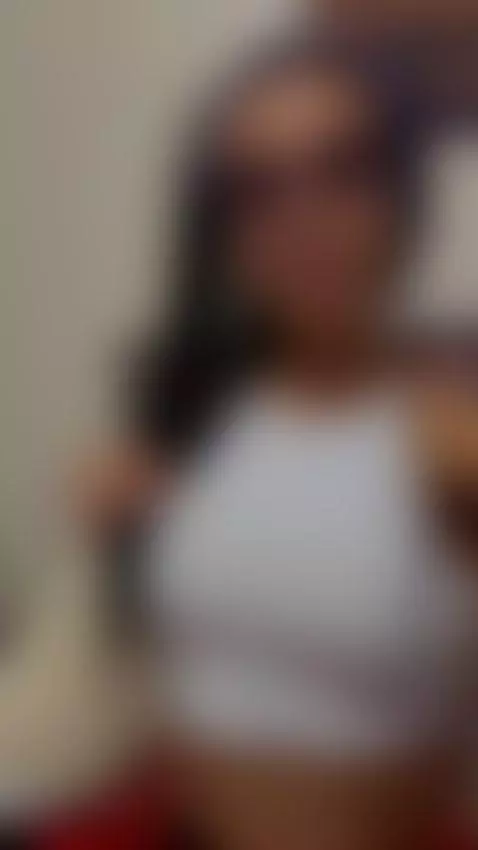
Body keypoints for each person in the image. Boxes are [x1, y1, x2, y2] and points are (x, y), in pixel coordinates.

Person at [80, 36, 478, 850]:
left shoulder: (450, 436)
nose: (304, 220)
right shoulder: (202, 416)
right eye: (258, 192)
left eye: (342, 171)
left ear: (400, 198)